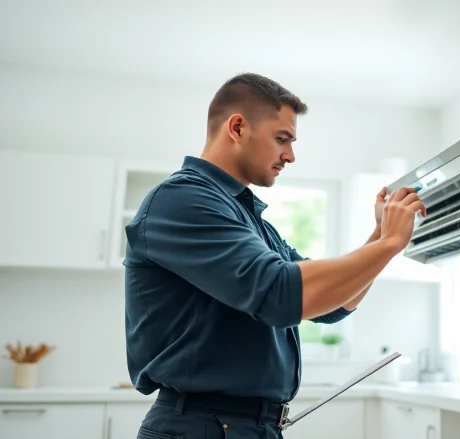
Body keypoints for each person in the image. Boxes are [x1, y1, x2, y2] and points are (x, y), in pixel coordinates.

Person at [123, 72, 425, 439]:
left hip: (245, 427)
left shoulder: (248, 218)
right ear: (237, 127)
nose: (290, 155)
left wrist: (380, 235)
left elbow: (331, 306)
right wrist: (388, 244)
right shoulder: (182, 200)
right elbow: (281, 294)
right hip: (201, 426)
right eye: (282, 139)